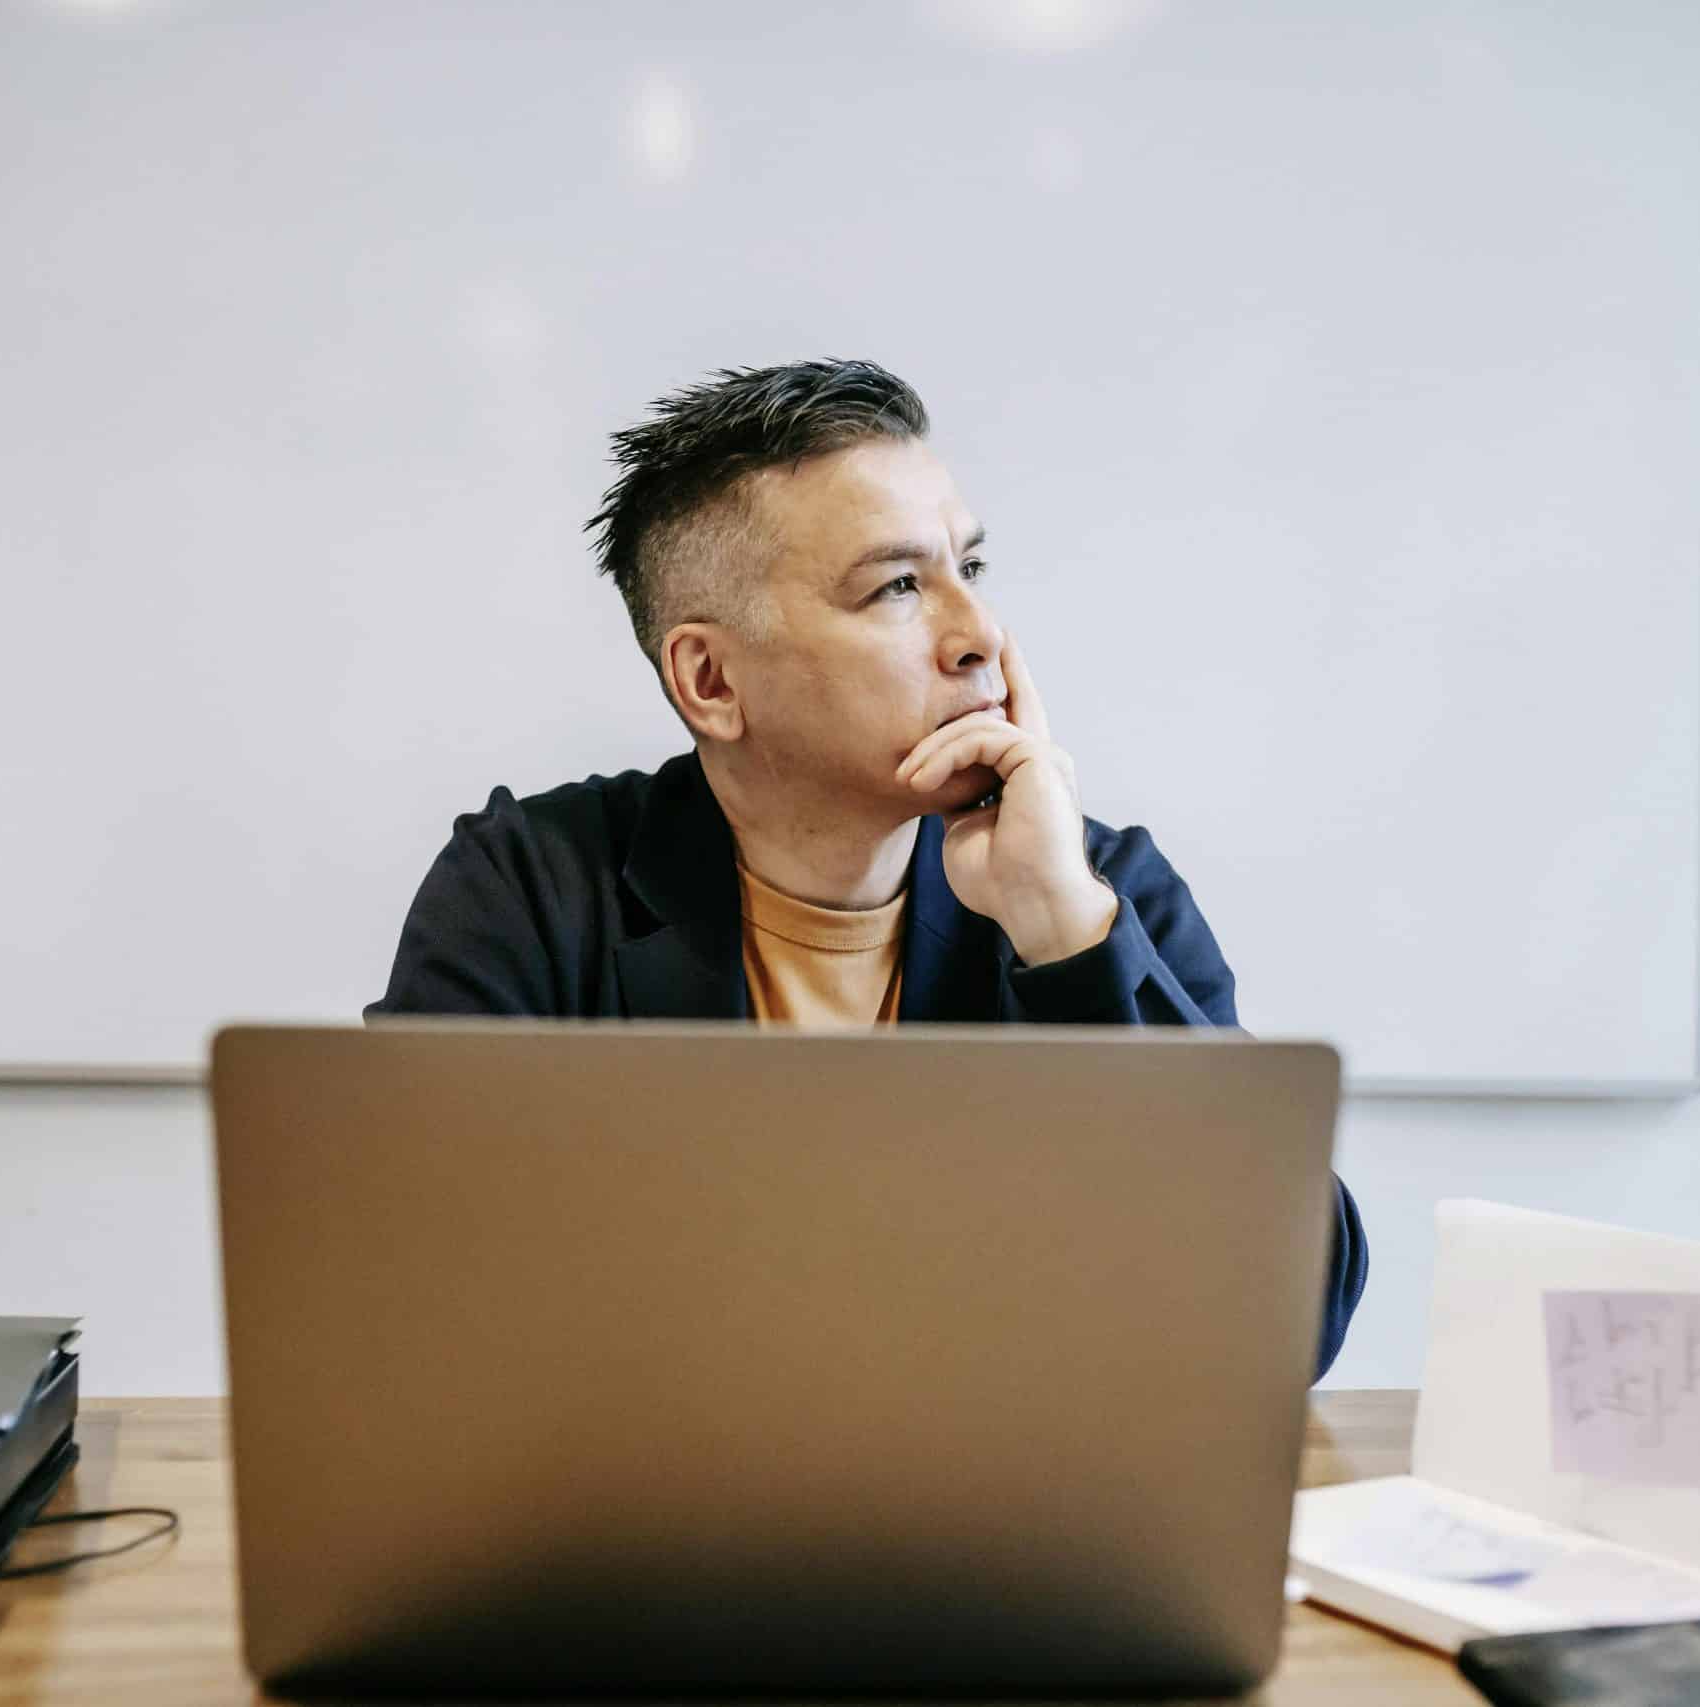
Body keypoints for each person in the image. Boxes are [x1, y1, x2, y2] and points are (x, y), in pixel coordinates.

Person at [370, 358, 1367, 1376]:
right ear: (710, 680)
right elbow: (403, 1287)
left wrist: (1067, 937)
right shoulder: (532, 890)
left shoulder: (1090, 884)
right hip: (641, 1469)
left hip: (1001, 1473)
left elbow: (1289, 1323)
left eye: (970, 568)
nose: (980, 635)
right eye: (897, 586)